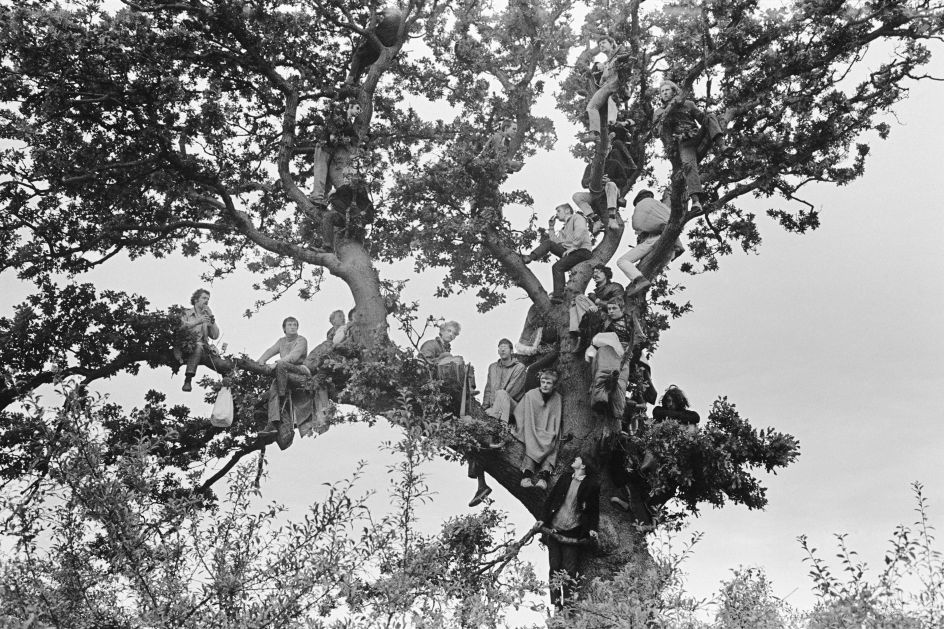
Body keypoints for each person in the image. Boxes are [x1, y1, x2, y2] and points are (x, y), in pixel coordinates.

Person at [467, 338, 528, 507]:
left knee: (501, 394)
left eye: (505, 348)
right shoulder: (492, 367)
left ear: (511, 350)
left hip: (512, 407)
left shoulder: (519, 368)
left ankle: (499, 434)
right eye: (499, 348)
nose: (502, 350)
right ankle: (481, 484)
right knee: (473, 429)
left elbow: (513, 392)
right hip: (494, 409)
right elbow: (487, 389)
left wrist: (493, 412)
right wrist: (484, 410)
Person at [537, 454, 600, 611]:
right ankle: (557, 604)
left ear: (583, 465)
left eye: (577, 459)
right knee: (554, 567)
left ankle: (570, 605)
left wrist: (592, 529)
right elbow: (551, 499)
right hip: (554, 527)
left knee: (569, 570)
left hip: (573, 531)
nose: (574, 459)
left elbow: (594, 510)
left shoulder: (591, 485)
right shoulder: (565, 478)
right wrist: (542, 520)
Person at [653, 80, 723, 214]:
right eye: (662, 91)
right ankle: (696, 201)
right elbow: (656, 132)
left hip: (696, 135)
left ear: (674, 91)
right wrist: (666, 114)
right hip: (683, 143)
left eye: (667, 90)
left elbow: (701, 118)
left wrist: (706, 116)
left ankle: (723, 146)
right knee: (688, 165)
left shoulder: (688, 104)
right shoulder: (659, 112)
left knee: (711, 117)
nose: (664, 93)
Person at [616, 189, 685, 298]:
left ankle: (640, 281)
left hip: (655, 239)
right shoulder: (662, 207)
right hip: (671, 248)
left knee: (622, 261)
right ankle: (641, 288)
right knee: (652, 268)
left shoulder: (645, 205)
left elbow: (637, 224)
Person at [521, 203, 593, 303]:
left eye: (559, 211)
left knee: (557, 267)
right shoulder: (564, 229)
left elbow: (581, 230)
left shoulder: (577, 217)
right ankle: (530, 257)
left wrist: (574, 246)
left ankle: (558, 296)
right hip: (570, 251)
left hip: (582, 251)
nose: (557, 214)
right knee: (549, 244)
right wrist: (551, 227)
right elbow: (555, 243)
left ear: (567, 210)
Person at [257, 317, 311, 445]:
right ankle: (272, 424)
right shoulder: (281, 341)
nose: (292, 327)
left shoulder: (301, 340)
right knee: (274, 387)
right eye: (290, 325)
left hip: (300, 371)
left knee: (280, 367)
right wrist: (260, 361)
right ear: (284, 328)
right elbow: (271, 350)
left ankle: (282, 396)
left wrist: (276, 364)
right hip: (284, 374)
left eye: (295, 325)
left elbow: (293, 357)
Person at [572, 126, 636, 230]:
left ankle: (612, 218)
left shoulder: (614, 163)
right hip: (596, 193)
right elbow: (584, 183)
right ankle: (596, 220)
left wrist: (610, 180)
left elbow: (623, 180)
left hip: (611, 191)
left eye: (606, 149)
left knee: (610, 185)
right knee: (576, 196)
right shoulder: (591, 166)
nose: (603, 152)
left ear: (609, 150)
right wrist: (593, 179)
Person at [587, 300, 638, 419]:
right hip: (608, 348)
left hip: (624, 350)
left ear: (621, 308)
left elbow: (638, 336)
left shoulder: (629, 320)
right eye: (609, 309)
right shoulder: (606, 320)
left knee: (621, 378)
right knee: (602, 371)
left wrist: (630, 351)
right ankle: (600, 399)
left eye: (614, 308)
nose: (610, 311)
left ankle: (618, 410)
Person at [513, 370, 562, 490]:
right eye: (543, 382)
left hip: (549, 431)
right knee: (531, 443)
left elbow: (556, 418)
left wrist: (551, 434)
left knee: (552, 445)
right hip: (532, 429)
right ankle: (526, 476)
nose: (545, 385)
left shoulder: (557, 398)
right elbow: (519, 412)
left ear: (554, 385)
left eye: (548, 383)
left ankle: (544, 477)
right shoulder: (531, 394)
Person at [310, 101, 361, 209]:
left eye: (360, 110)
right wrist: (333, 133)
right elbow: (330, 123)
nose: (359, 111)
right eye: (357, 108)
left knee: (328, 179)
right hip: (324, 146)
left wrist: (348, 139)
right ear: (350, 107)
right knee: (321, 172)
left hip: (333, 153)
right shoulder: (340, 112)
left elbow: (355, 138)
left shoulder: (349, 124)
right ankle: (316, 198)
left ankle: (322, 202)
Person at [419, 320, 476, 415]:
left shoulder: (445, 348)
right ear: (441, 331)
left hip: (446, 379)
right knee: (448, 356)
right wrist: (443, 358)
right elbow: (423, 361)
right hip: (433, 379)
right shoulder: (430, 344)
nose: (451, 335)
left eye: (454, 334)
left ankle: (469, 388)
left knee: (467, 367)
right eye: (449, 331)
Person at [346, 5, 404, 85]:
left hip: (378, 42)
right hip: (383, 49)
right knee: (362, 64)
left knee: (357, 55)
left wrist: (376, 14)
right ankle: (354, 82)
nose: (384, 16)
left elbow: (379, 30)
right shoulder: (400, 23)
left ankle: (350, 79)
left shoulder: (391, 17)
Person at [178, 288, 220, 392]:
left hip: (202, 348)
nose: (206, 301)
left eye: (208, 299)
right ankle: (188, 379)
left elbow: (215, 336)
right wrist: (198, 321)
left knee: (201, 347)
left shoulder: (206, 316)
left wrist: (211, 318)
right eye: (204, 298)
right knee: (197, 345)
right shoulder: (186, 313)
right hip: (186, 346)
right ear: (196, 299)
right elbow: (180, 328)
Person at [585, 37, 628, 136]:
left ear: (612, 44)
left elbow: (629, 57)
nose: (601, 46)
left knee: (592, 107)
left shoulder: (619, 50)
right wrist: (600, 70)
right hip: (609, 87)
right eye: (599, 45)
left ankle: (595, 133)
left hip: (617, 85)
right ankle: (599, 132)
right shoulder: (606, 63)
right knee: (593, 107)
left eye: (604, 43)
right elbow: (601, 82)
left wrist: (617, 59)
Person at [569, 264, 624, 336]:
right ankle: (576, 330)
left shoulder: (615, 287)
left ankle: (584, 326)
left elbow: (619, 305)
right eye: (594, 273)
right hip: (596, 315)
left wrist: (598, 302)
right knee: (574, 302)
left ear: (606, 274)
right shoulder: (596, 292)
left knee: (580, 297)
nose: (595, 275)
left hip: (608, 317)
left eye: (598, 272)